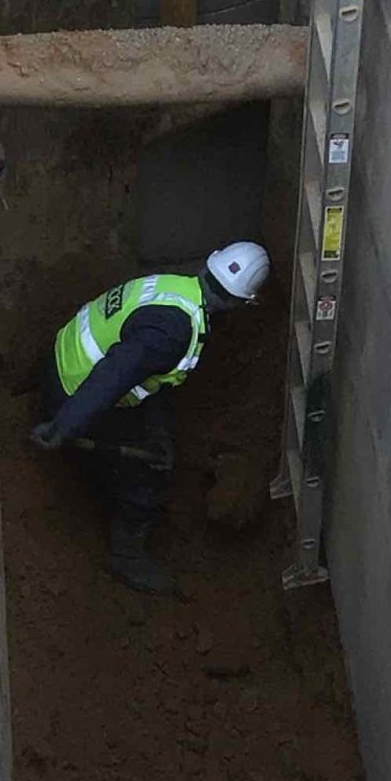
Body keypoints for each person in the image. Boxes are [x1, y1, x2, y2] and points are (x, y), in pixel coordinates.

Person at [32, 240, 272, 593]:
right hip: (72, 391)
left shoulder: (175, 287)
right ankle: (126, 556)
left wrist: (157, 429)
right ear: (240, 302)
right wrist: (64, 425)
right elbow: (115, 373)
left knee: (154, 427)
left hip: (61, 357)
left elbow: (149, 374)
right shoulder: (174, 331)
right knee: (148, 474)